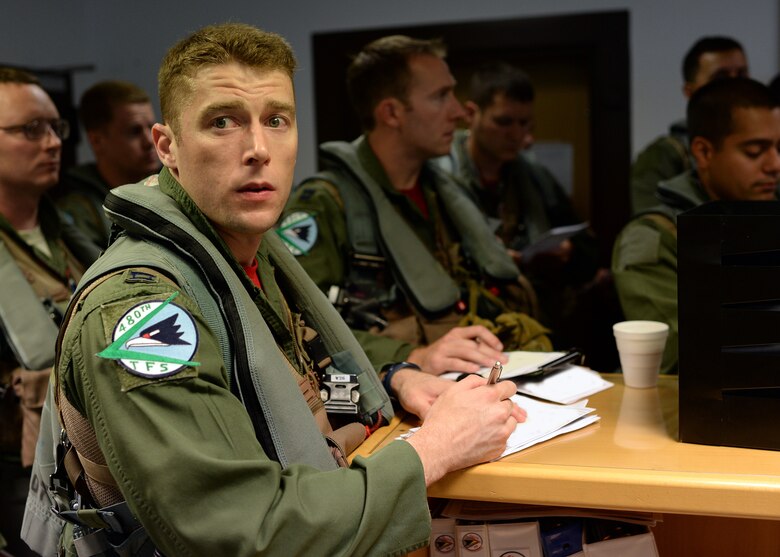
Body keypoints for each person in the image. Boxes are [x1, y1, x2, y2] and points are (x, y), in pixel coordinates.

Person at [28, 23, 527, 556]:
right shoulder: (142, 309)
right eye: (222, 122)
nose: (258, 149)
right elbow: (242, 533)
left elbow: (293, 383)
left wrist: (395, 375)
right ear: (167, 147)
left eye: (277, 120)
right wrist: (434, 449)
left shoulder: (246, 257)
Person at [283, 36, 551, 378]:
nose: (458, 112)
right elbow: (295, 329)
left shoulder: (445, 197)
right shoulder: (325, 206)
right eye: (441, 96)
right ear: (392, 113)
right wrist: (412, 354)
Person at [435, 62, 612, 355]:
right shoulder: (440, 174)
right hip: (462, 326)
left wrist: (567, 254)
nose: (517, 134)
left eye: (525, 123)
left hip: (530, 323)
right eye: (504, 122)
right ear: (471, 114)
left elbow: (589, 250)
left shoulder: (533, 175)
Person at [613, 77, 780, 373]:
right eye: (755, 151)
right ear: (703, 153)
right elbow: (680, 353)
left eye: (778, 148)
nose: (774, 164)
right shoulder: (654, 237)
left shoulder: (769, 211)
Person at [0, 67, 99, 557]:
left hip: (95, 455)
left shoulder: (72, 233)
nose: (53, 142)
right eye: (29, 129)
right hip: (21, 480)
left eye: (56, 128)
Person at [631, 36, 749, 213]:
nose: (735, 85)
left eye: (741, 75)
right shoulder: (664, 155)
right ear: (690, 91)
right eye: (720, 77)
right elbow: (653, 225)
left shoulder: (770, 147)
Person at [55, 80, 161, 247]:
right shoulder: (80, 211)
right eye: (134, 131)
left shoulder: (169, 188)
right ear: (97, 141)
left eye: (151, 127)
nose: (150, 141)